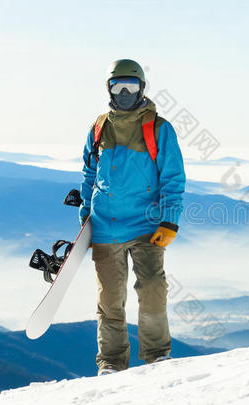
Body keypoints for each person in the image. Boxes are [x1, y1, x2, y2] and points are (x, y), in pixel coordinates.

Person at [79, 59, 186, 376]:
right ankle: (111, 363)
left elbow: (173, 179)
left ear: (142, 89)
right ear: (108, 89)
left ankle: (156, 355)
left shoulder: (158, 129)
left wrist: (169, 221)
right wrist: (86, 215)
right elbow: (89, 174)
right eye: (118, 86)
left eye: (131, 86)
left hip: (147, 225)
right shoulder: (100, 127)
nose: (124, 93)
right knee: (110, 299)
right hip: (104, 226)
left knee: (152, 287)